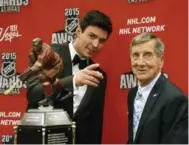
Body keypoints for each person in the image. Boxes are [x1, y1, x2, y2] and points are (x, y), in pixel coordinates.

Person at [26, 10, 113, 144]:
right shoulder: (48, 56)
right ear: (78, 31)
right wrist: (72, 81)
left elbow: (95, 124)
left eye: (101, 40)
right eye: (91, 36)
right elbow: (33, 94)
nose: (95, 45)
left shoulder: (99, 75)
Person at [127, 32, 188, 144]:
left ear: (161, 61)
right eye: (136, 55)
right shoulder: (132, 93)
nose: (140, 63)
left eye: (148, 55)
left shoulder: (174, 98)